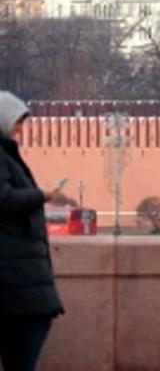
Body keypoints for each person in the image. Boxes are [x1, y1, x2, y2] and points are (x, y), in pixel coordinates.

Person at [0, 91, 64, 371]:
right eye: (17, 122)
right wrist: (40, 195)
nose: (20, 129)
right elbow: (3, 199)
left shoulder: (6, 155)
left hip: (18, 286)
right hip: (18, 288)